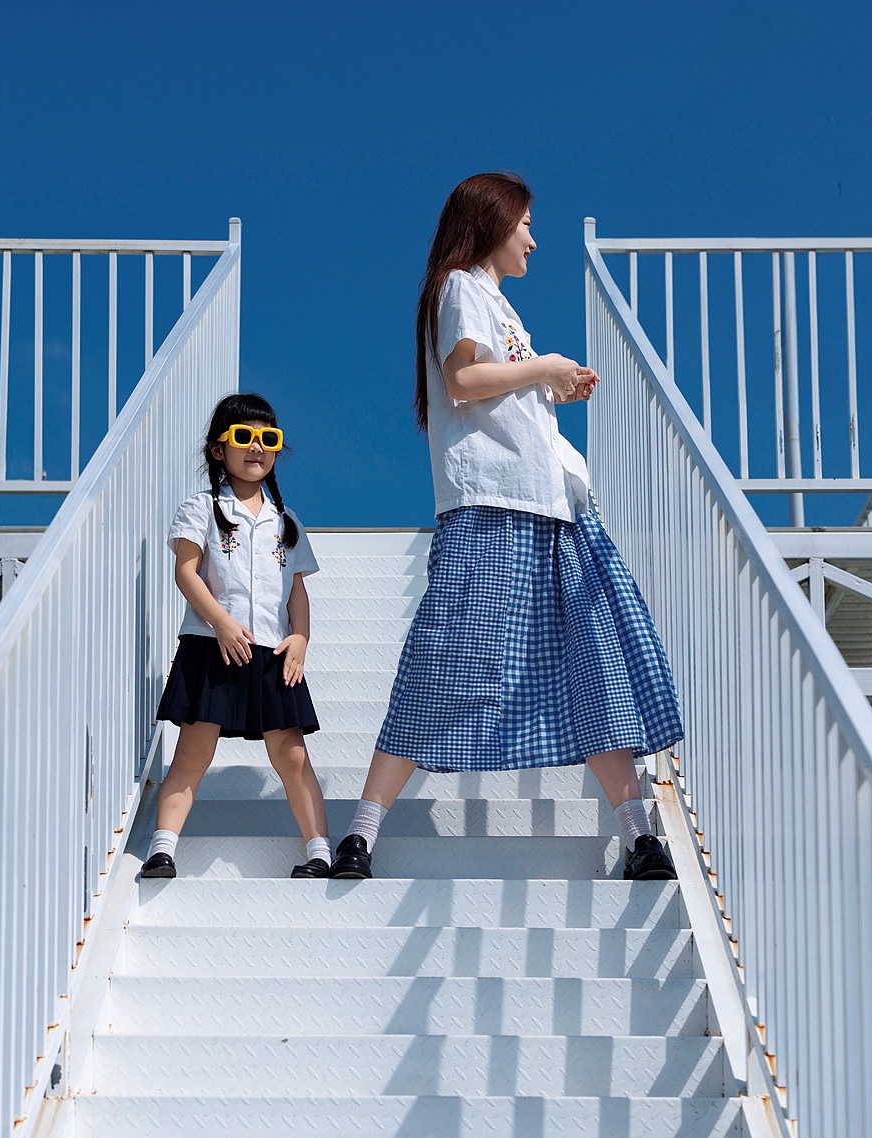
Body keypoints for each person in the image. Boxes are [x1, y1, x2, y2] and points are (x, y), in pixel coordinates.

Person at [327, 171, 684, 882]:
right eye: (524, 223)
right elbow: (462, 382)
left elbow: (497, 387)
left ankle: (639, 837)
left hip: (554, 506)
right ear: (491, 221)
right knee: (442, 663)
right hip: (493, 506)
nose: (532, 239)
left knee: (596, 664)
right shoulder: (460, 287)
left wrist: (550, 384)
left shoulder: (500, 307)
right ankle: (361, 833)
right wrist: (544, 367)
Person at [143, 392, 333, 880]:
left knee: (292, 755)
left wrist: (301, 638)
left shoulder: (286, 522)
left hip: (273, 653)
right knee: (193, 752)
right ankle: (161, 850)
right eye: (244, 436)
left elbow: (296, 591)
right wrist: (221, 623)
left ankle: (320, 852)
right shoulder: (202, 507)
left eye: (269, 439)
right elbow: (186, 572)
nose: (257, 448)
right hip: (212, 647)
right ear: (217, 448)